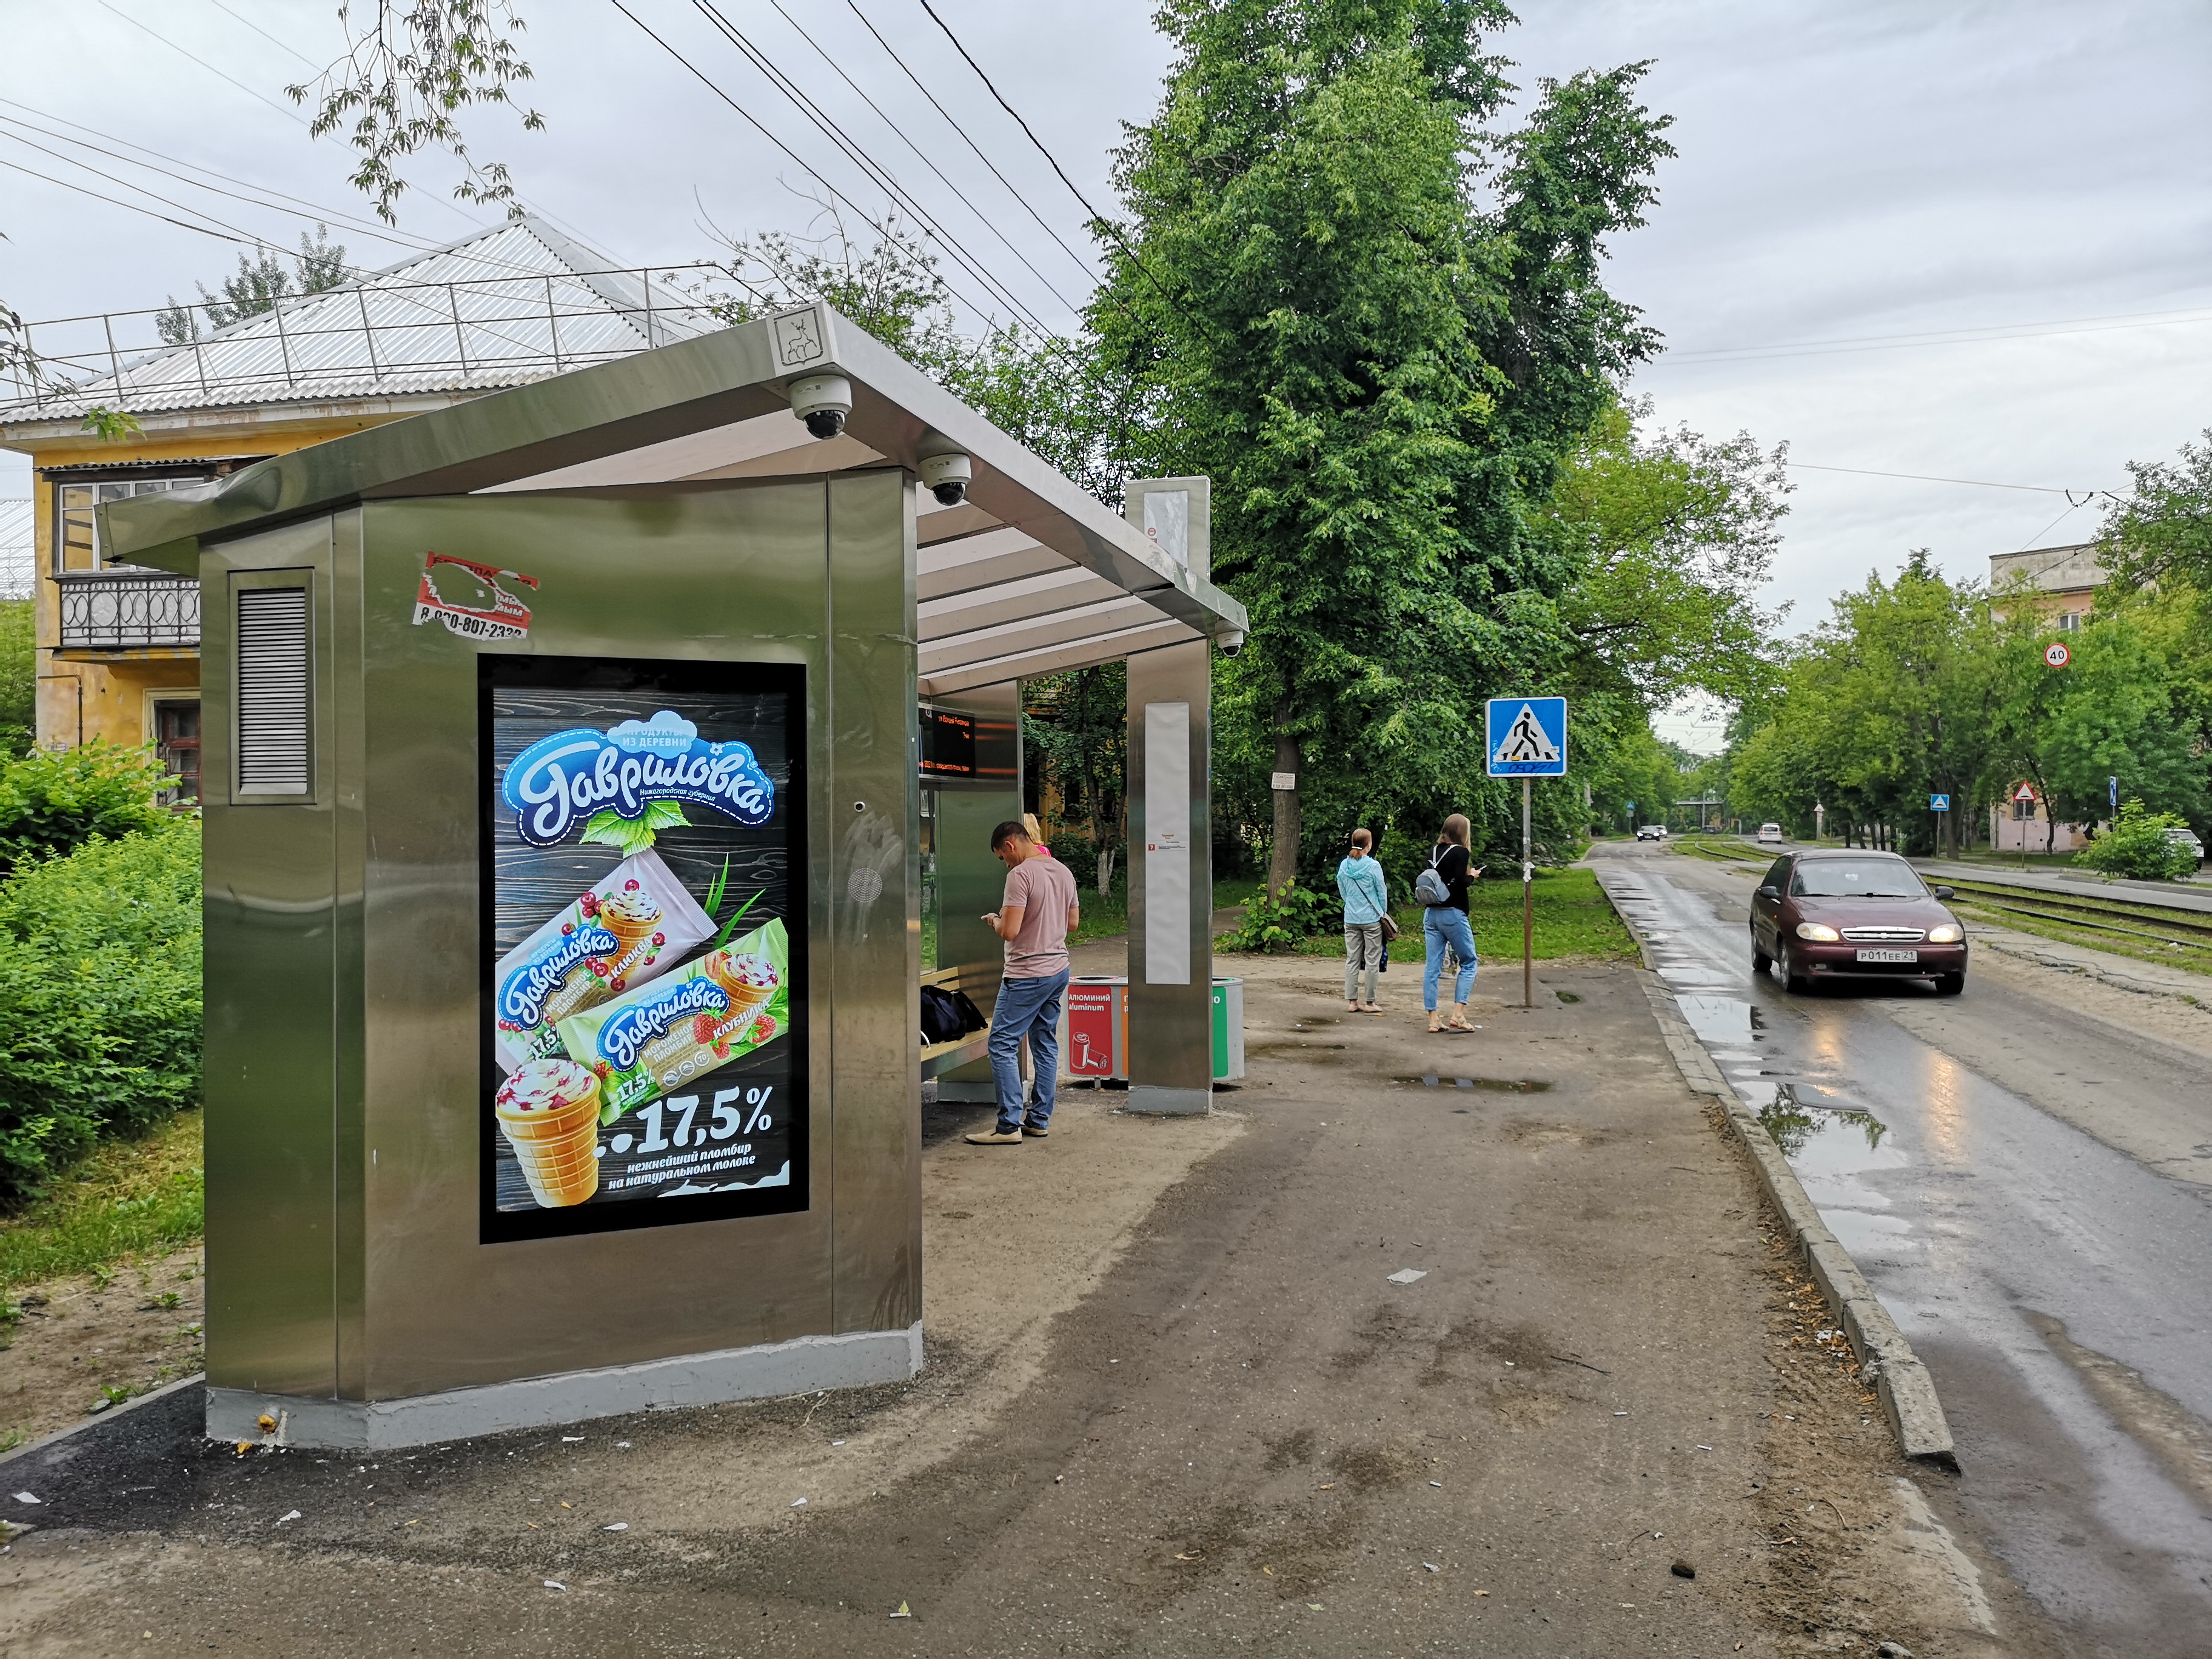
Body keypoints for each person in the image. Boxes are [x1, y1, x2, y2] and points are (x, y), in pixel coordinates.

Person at [965, 820, 1081, 1145]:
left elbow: (1011, 931)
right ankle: (1039, 1120)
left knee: (1001, 1045)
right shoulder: (1063, 871)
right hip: (1058, 969)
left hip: (1026, 974)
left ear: (1010, 846)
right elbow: (1072, 924)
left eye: (1002, 856)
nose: (1005, 862)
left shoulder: (1020, 875)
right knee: (1044, 1044)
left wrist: (995, 920)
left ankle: (1008, 1126)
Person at [1421, 814, 1481, 1034]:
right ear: (1462, 832)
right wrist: (1473, 875)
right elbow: (1460, 883)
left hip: (1431, 914)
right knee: (1469, 961)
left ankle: (1433, 1019)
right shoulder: (1461, 852)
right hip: (1453, 914)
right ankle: (1458, 1015)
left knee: (1432, 967)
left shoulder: (1433, 852)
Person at [1335, 828, 1390, 1014]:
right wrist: (1383, 912)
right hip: (1371, 919)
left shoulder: (1344, 865)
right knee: (1372, 960)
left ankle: (1352, 1002)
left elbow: (1342, 890)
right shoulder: (1373, 866)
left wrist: (1351, 903)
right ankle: (1370, 1003)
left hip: (1350, 918)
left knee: (1352, 959)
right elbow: (1381, 891)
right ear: (1369, 844)